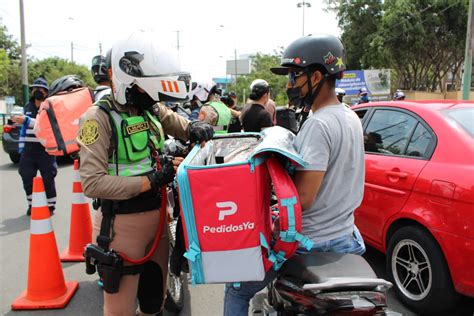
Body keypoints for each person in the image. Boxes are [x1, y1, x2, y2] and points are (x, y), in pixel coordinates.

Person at [224, 34, 366, 316]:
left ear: (316, 76)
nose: (289, 85)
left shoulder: (320, 124)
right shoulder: (350, 116)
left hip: (312, 239)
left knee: (236, 290)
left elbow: (304, 198)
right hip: (347, 236)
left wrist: (269, 209)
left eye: (294, 76)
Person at [77, 30, 214, 316]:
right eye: (147, 88)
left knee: (155, 301)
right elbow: (92, 182)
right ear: (129, 81)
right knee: (120, 310)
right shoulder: (98, 118)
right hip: (120, 226)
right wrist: (151, 180)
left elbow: (174, 120)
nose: (154, 95)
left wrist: (194, 128)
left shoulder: (148, 106)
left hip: (158, 220)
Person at [12, 77, 58, 216]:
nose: (38, 91)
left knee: (48, 179)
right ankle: (32, 204)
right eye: (35, 89)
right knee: (26, 177)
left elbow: (44, 124)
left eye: (41, 89)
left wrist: (26, 120)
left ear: (46, 92)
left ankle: (50, 206)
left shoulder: (50, 106)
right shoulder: (28, 106)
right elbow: (27, 125)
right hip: (29, 151)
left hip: (46, 151)